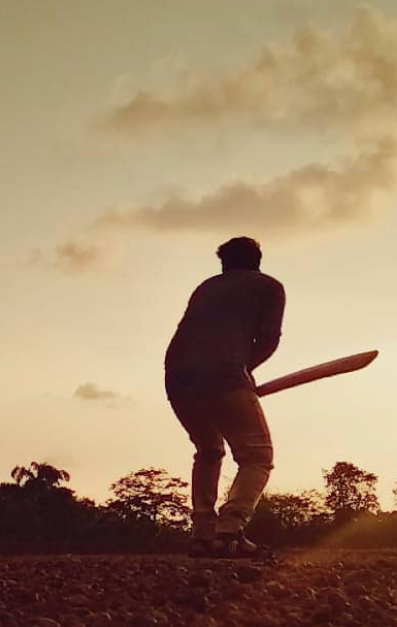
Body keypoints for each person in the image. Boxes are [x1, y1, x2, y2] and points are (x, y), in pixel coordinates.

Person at [165, 237, 285, 558]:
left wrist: (241, 370)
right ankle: (230, 530)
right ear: (258, 259)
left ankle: (203, 533)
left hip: (175, 375)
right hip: (223, 373)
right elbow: (269, 339)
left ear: (223, 262)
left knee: (208, 450)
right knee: (257, 455)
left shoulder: (206, 288)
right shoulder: (269, 287)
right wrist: (245, 369)